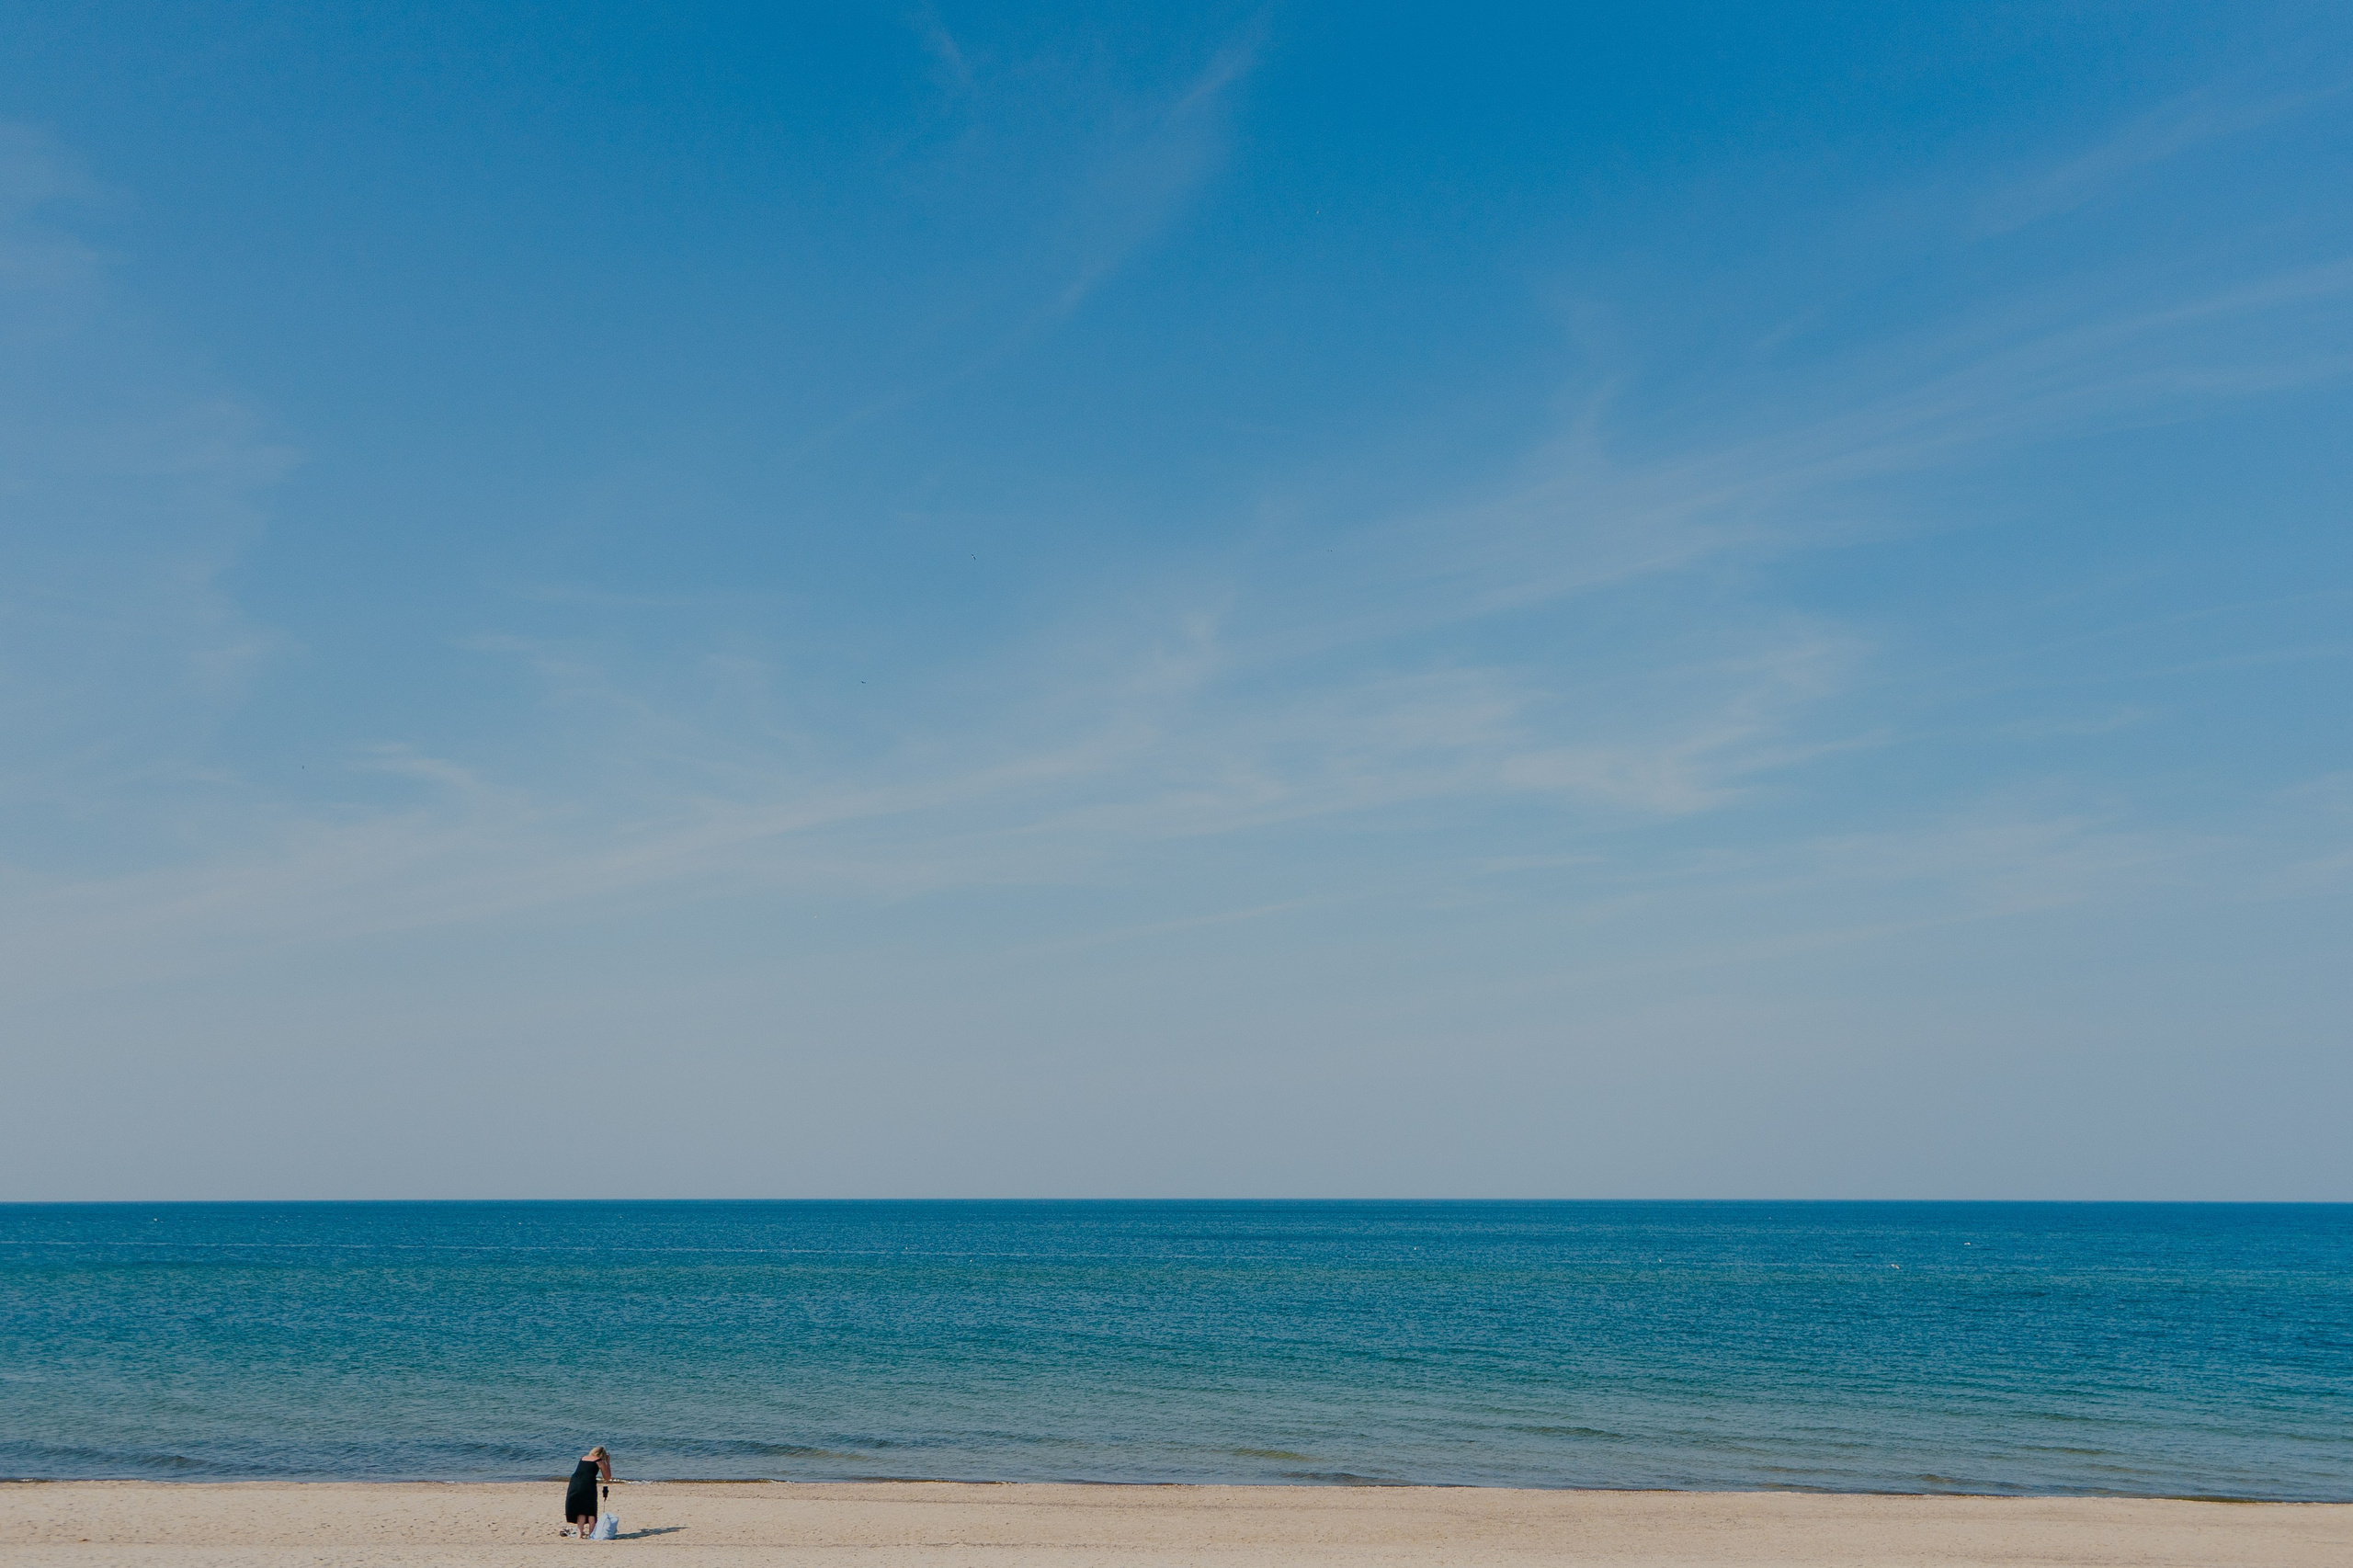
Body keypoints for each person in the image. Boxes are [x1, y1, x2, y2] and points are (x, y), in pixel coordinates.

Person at [564, 1446, 614, 1540]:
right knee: (591, 1509)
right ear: (602, 1455)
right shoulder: (600, 1461)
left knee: (581, 1509)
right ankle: (592, 1534)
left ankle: (579, 1534)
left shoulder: (583, 1458)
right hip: (587, 1483)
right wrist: (608, 1462)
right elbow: (607, 1477)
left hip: (574, 1482)